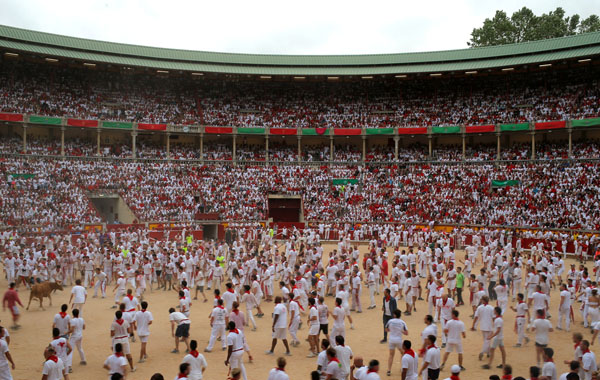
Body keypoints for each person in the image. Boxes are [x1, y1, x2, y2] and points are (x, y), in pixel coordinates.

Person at [385, 309, 408, 376]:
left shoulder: (390, 321)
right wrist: (401, 331)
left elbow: (386, 329)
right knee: (403, 353)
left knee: (391, 355)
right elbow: (406, 333)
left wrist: (391, 330)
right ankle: (402, 368)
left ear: (394, 315)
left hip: (391, 340)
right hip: (399, 340)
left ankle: (389, 370)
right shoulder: (402, 322)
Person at [471, 295, 494, 361]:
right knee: (487, 340)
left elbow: (476, 317)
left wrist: (473, 325)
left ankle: (488, 352)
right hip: (489, 326)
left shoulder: (479, 307)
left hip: (482, 326)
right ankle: (483, 352)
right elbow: (493, 318)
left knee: (486, 340)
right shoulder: (491, 308)